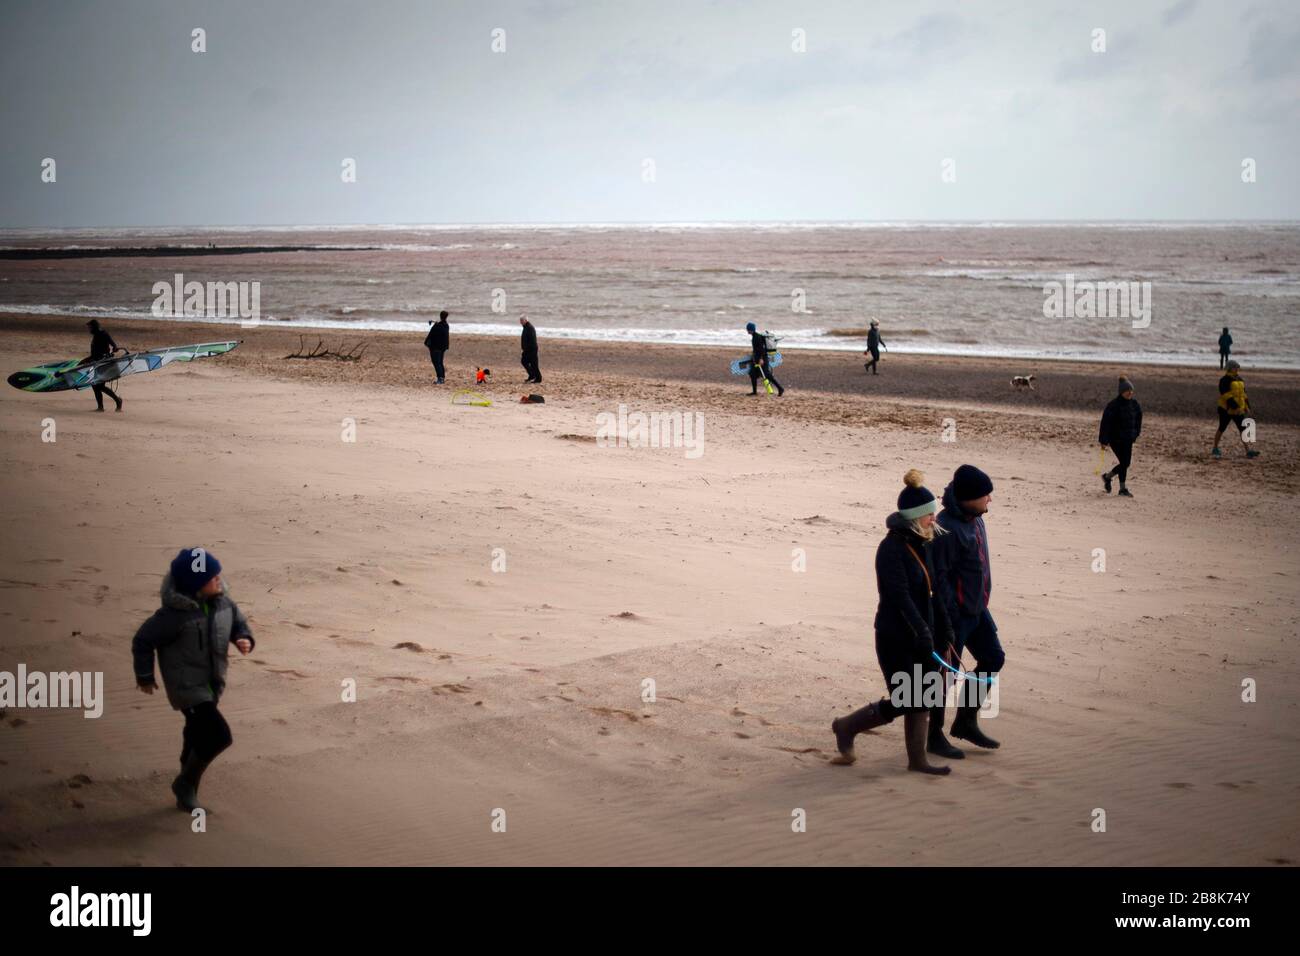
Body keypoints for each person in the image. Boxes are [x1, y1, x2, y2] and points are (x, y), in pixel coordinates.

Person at [830, 470, 956, 775]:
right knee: (905, 699)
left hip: (921, 635)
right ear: (915, 517)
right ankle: (846, 726)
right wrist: (922, 631)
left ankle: (917, 761)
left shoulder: (924, 543)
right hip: (895, 637)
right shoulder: (890, 549)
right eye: (929, 515)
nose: (934, 520)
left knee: (922, 696)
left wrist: (945, 629)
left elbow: (933, 590)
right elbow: (899, 597)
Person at [132, 548, 254, 812]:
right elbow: (143, 640)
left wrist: (243, 638)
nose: (218, 579)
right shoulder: (174, 616)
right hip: (187, 687)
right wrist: (145, 676)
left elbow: (237, 624)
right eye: (212, 577)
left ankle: (186, 795)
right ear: (196, 586)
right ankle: (185, 784)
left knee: (195, 734)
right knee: (218, 736)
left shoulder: (224, 603)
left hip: (213, 682)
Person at [932, 464, 1004, 752]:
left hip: (978, 610)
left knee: (994, 658)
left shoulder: (976, 518)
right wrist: (949, 618)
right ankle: (932, 735)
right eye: (985, 495)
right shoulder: (946, 528)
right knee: (944, 675)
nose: (990, 499)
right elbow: (939, 579)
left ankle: (965, 721)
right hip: (955, 615)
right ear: (968, 497)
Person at [1098, 377, 1143, 497]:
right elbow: (1105, 423)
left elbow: (1138, 420)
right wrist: (1103, 440)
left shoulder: (1134, 404)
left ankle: (1109, 478)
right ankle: (1121, 487)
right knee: (1124, 463)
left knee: (1125, 463)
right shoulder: (1113, 405)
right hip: (1115, 439)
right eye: (1127, 390)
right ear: (1121, 391)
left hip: (1128, 438)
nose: (1130, 392)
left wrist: (1136, 433)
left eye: (1131, 390)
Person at [1213, 359, 1260, 459]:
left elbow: (1244, 394)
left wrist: (1247, 407)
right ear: (1230, 368)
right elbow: (1226, 395)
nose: (1237, 369)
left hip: (1238, 410)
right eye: (1235, 367)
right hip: (1226, 409)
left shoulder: (1239, 379)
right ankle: (1215, 448)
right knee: (1222, 428)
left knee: (1243, 429)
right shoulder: (1224, 380)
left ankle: (1248, 451)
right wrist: (1235, 407)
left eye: (1238, 367)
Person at [85, 318, 123, 412]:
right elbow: (95, 353)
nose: (89, 329)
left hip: (104, 363)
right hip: (97, 362)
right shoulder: (96, 335)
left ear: (94, 327)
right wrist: (86, 360)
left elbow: (114, 345)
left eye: (90, 327)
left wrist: (114, 348)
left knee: (98, 385)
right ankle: (102, 406)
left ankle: (117, 401)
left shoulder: (103, 334)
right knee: (96, 385)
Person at [745, 322, 784, 396]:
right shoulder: (754, 337)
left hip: (762, 359)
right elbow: (756, 349)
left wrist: (761, 359)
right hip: (756, 359)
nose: (747, 330)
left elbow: (762, 350)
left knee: (767, 375)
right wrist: (753, 356)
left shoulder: (757, 337)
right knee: (752, 374)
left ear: (750, 329)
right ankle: (754, 392)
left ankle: (780, 388)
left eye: (748, 329)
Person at [424, 311, 450, 384]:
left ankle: (440, 379)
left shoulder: (438, 326)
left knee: (436, 363)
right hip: (443, 347)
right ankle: (442, 378)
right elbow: (440, 326)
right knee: (440, 362)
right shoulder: (446, 325)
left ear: (440, 316)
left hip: (436, 347)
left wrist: (426, 342)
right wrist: (435, 323)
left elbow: (431, 334)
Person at [520, 314, 542, 384]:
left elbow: (532, 341)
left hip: (532, 349)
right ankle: (532, 375)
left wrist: (527, 350)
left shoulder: (530, 327)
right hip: (527, 349)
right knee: (524, 361)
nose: (520, 322)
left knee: (534, 364)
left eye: (522, 320)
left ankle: (538, 378)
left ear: (526, 320)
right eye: (520, 320)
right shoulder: (525, 327)